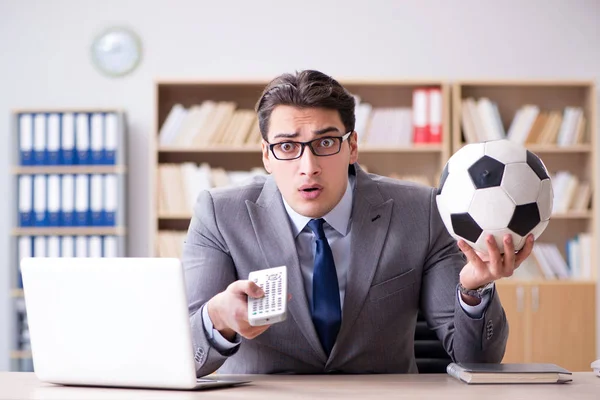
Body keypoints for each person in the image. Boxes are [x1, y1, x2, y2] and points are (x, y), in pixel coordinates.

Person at [182, 69, 534, 376]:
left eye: (325, 142)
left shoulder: (422, 211)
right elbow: (185, 360)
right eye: (287, 147)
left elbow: (478, 361)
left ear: (352, 147)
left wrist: (474, 291)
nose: (308, 166)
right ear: (266, 155)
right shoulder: (219, 214)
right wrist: (217, 320)